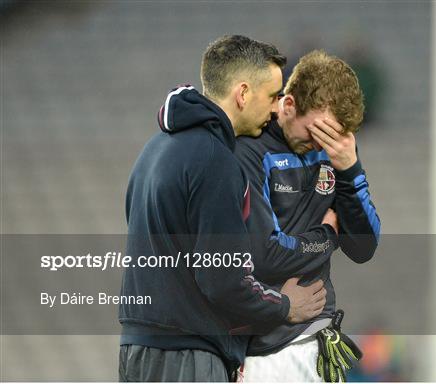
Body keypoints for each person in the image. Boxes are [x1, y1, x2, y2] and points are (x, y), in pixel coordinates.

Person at [118, 35, 328, 382]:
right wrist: (285, 305)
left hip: (138, 349)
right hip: (187, 354)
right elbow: (222, 279)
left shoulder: (154, 150)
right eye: (274, 96)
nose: (277, 109)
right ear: (243, 94)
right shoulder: (216, 159)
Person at [234, 50, 381, 381]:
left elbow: (363, 247)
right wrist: (326, 239)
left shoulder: (335, 152)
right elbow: (264, 255)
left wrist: (349, 168)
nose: (321, 144)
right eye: (316, 132)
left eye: (332, 136)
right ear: (288, 106)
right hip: (263, 350)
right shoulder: (249, 150)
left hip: (319, 343)